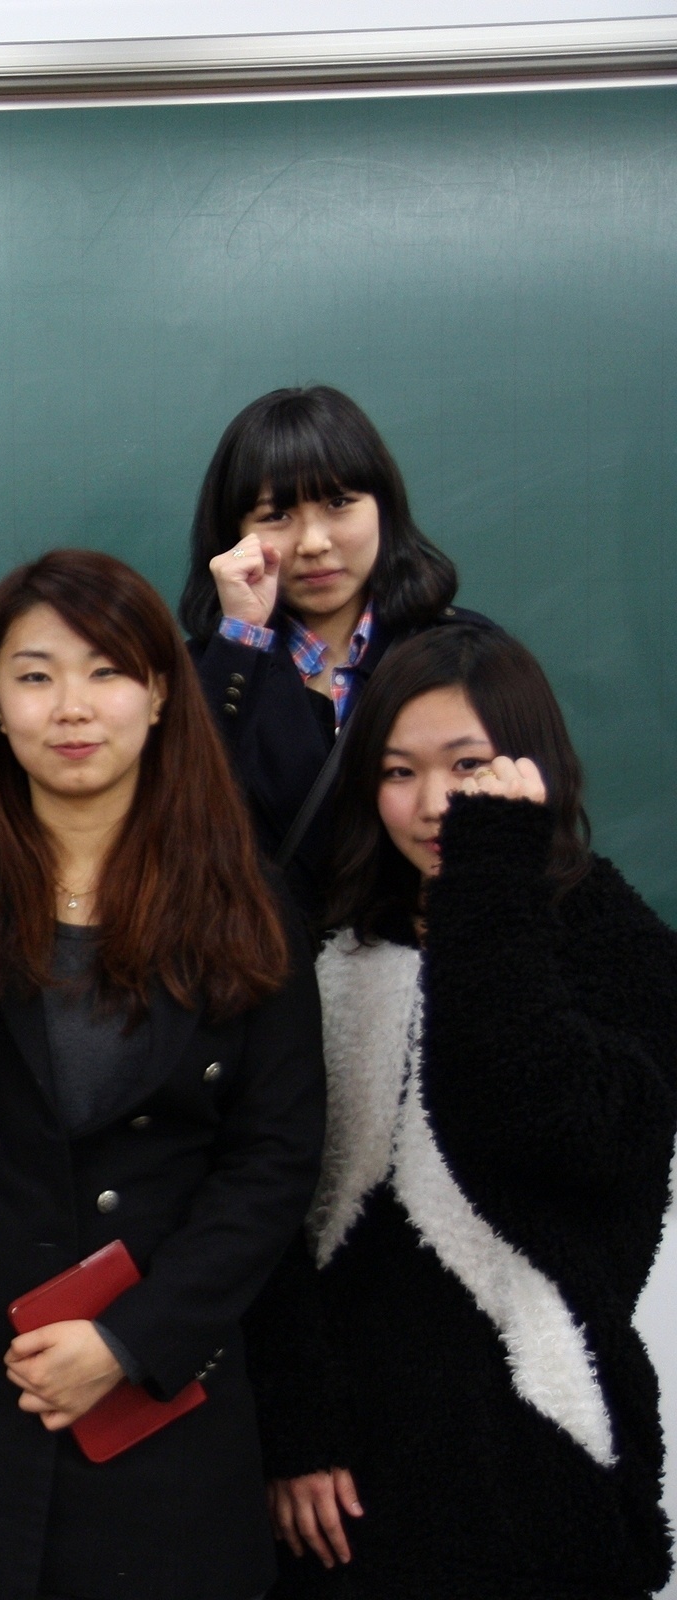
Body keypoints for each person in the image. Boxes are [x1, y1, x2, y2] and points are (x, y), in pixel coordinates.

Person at [0, 548, 325, 1600]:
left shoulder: (243, 896)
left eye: (107, 672)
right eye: (35, 676)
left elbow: (274, 1159)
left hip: (159, 1395)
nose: (71, 707)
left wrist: (134, 1340)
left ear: (161, 694)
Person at [248, 625, 677, 1599]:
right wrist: (295, 1428)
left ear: (532, 767)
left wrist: (489, 882)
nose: (435, 802)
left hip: (545, 1454)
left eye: (468, 766)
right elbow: (266, 1204)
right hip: (346, 1482)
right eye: (399, 772)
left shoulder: (618, 944)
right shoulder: (330, 954)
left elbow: (536, 1121)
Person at [180, 386, 468, 907]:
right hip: (263, 954)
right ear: (234, 535)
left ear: (383, 507)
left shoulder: (467, 656)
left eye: (339, 503)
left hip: (429, 945)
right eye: (276, 515)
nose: (314, 542)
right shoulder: (204, 672)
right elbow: (176, 809)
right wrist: (241, 637)